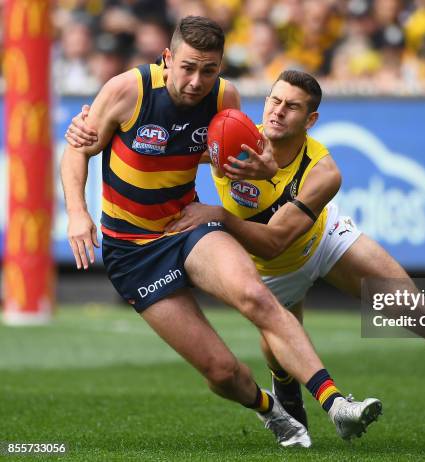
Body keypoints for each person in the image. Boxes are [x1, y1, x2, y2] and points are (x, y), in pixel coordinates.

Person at [68, 69, 425, 433]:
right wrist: (85, 132)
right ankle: (289, 399)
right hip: (268, 275)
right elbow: (156, 145)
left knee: (416, 309)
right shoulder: (231, 138)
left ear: (312, 118)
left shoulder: (323, 171)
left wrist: (220, 215)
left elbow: (276, 238)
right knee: (280, 353)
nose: (276, 111)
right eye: (274, 101)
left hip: (320, 245)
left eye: (291, 107)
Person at [61, 16, 382, 449]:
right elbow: (77, 150)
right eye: (188, 67)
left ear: (220, 68)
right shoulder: (127, 90)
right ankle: (271, 410)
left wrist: (265, 169)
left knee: (257, 297)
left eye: (209, 70)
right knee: (222, 372)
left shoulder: (223, 97)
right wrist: (78, 212)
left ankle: (336, 403)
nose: (197, 81)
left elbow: (235, 154)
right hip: (132, 253)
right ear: (168, 58)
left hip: (187, 225)